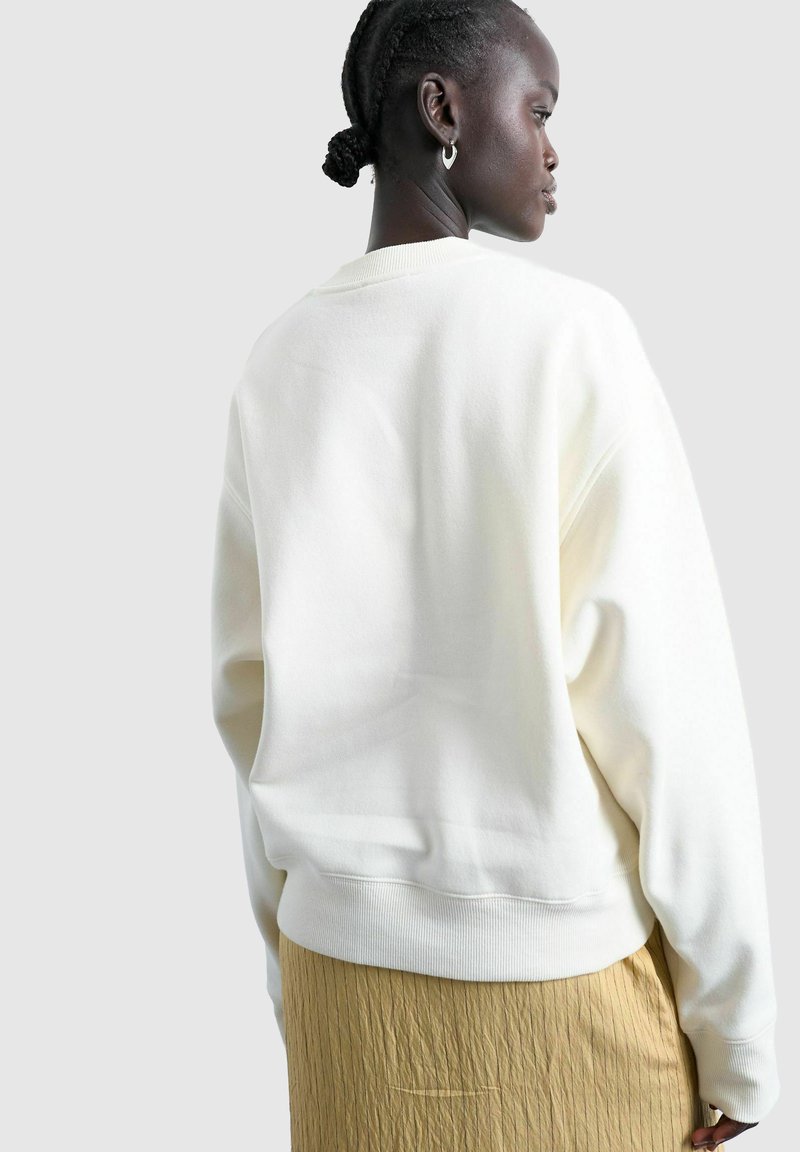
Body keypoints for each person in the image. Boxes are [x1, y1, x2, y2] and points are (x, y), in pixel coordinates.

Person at [209, 2, 780, 1149]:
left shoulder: (279, 362)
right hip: (560, 994)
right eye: (539, 110)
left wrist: (295, 977)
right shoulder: (571, 337)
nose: (553, 151)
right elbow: (667, 709)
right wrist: (738, 1041)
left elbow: (247, 704)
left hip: (342, 994)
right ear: (443, 110)